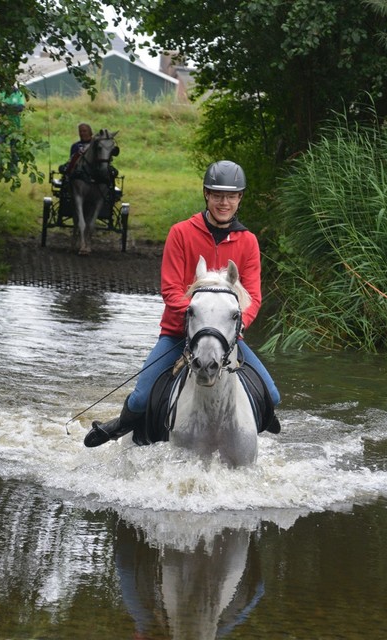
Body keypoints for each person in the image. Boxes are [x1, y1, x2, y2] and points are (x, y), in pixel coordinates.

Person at [84, 160, 281, 447]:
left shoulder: (248, 241)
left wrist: (233, 325)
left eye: (230, 196)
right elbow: (171, 290)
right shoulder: (181, 233)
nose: (223, 202)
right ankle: (120, 427)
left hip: (227, 338)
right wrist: (197, 319)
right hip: (178, 334)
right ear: (206, 194)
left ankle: (248, 432)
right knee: (140, 397)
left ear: (240, 198)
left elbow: (252, 297)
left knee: (272, 395)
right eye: (216, 195)